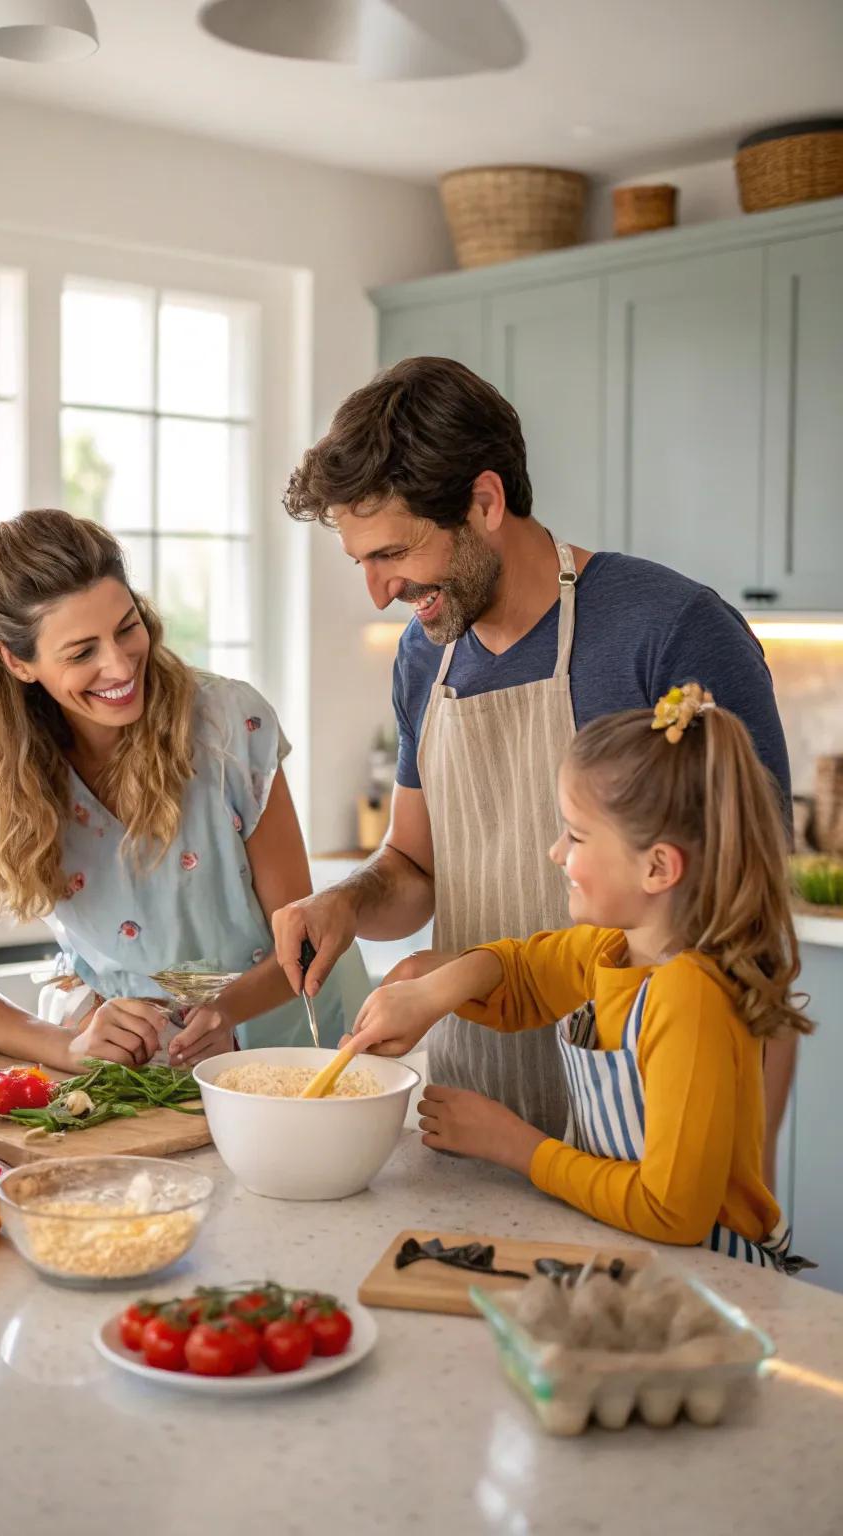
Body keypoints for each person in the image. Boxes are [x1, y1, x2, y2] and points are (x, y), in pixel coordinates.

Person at [273, 356, 794, 1182]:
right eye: (361, 562)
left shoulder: (670, 630)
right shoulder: (424, 654)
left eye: (394, 553)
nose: (379, 591)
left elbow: (754, 922)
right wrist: (345, 903)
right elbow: (414, 864)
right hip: (473, 1112)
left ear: (484, 503)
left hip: (651, 1127)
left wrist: (745, 1172)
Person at [344, 685, 813, 1268]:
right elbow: (524, 972)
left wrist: (514, 1145)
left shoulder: (688, 995)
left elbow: (672, 1210)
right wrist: (438, 986)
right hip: (637, 1259)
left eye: (577, 835)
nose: (554, 852)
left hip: (713, 1278)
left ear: (658, 866)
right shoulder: (615, 950)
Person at [0, 508, 340, 1071]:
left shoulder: (229, 726)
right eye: (81, 652)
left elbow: (306, 938)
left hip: (290, 1052)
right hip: (124, 1076)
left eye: (126, 627)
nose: (120, 666)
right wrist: (65, 1045)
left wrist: (226, 1012)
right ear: (18, 662)